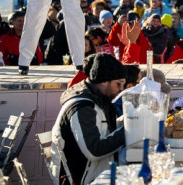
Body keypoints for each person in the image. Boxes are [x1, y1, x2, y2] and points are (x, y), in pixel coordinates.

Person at [49, 53, 126, 185]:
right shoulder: (82, 107)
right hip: (80, 179)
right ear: (104, 80)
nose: (121, 89)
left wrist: (131, 120)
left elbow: (106, 132)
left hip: (96, 173)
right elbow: (94, 150)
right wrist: (128, 130)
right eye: (119, 84)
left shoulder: (100, 98)